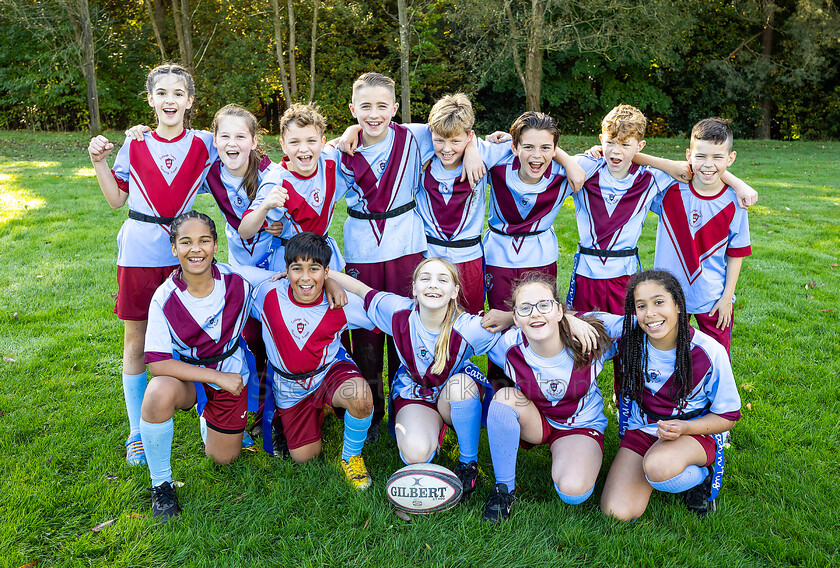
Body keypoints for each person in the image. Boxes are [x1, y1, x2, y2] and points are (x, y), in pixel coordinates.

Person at [87, 63, 216, 466]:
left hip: (187, 250)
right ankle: (137, 431)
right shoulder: (136, 144)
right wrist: (99, 163)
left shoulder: (205, 143)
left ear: (190, 101)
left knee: (195, 334)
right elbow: (116, 200)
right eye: (162, 93)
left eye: (178, 93)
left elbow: (240, 155)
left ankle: (205, 416)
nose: (170, 100)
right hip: (141, 252)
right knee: (137, 342)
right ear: (150, 100)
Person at [328, 257, 514, 499]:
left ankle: (468, 463)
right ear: (414, 288)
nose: (433, 285)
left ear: (455, 291)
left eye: (442, 279)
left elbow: (520, 339)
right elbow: (361, 290)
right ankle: (432, 428)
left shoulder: (470, 327)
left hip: (452, 393)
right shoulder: (398, 311)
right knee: (415, 455)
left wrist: (510, 317)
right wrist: (326, 276)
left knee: (460, 386)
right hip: (415, 392)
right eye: (425, 279)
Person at [571, 106, 757, 316]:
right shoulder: (585, 167)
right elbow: (550, 160)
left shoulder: (652, 179)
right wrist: (607, 150)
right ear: (601, 140)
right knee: (584, 337)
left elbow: (699, 170)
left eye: (625, 145)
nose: (616, 151)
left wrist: (739, 184)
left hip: (625, 275)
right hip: (586, 273)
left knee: (626, 339)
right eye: (610, 143)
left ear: (640, 146)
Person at [140, 211, 257, 521]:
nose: (196, 249)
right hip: (189, 376)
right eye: (186, 242)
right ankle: (161, 484)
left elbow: (288, 280)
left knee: (224, 459)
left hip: (231, 376)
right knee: (156, 394)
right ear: (174, 248)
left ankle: (209, 420)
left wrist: (330, 286)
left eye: (204, 240)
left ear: (216, 246)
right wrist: (216, 376)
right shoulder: (164, 298)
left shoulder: (238, 282)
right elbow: (158, 364)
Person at [600, 270, 741, 520]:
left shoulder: (709, 352)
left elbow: (728, 415)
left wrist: (685, 428)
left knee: (657, 467)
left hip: (692, 432)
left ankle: (701, 476)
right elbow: (579, 319)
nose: (650, 313)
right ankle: (653, 468)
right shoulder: (629, 333)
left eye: (658, 302)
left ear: (678, 305)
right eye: (641, 306)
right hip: (642, 428)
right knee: (616, 512)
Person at [336, 72, 429, 441]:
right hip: (362, 247)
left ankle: (410, 405)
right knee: (367, 333)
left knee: (408, 326)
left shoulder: (415, 135)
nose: (373, 115)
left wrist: (471, 147)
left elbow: (459, 130)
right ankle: (371, 412)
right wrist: (346, 133)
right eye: (365, 107)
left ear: (395, 108)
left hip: (407, 245)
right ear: (353, 110)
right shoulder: (339, 150)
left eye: (381, 106)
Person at [482, 272, 618, 522]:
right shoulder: (506, 346)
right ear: (515, 317)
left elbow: (638, 323)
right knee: (503, 399)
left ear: (558, 310)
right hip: (538, 420)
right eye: (525, 308)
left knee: (573, 492)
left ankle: (569, 453)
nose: (535, 313)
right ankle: (504, 490)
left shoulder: (589, 335)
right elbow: (460, 330)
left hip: (580, 425)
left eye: (544, 305)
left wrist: (573, 318)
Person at [245, 232, 376, 489]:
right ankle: (321, 411)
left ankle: (351, 456)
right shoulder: (266, 292)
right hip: (289, 387)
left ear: (327, 271)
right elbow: (224, 272)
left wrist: (332, 283)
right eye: (297, 269)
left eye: (314, 269)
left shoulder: (341, 303)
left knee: (361, 396)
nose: (305, 278)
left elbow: (387, 312)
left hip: (328, 373)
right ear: (286, 270)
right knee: (305, 457)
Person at [482, 111, 585, 390]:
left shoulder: (563, 172)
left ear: (555, 148)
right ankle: (499, 389)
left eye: (546, 148)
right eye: (527, 147)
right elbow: (458, 141)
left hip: (541, 254)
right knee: (500, 321)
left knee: (540, 320)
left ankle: (540, 385)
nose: (536, 156)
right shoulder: (498, 161)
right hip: (498, 254)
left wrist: (568, 161)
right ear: (514, 147)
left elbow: (620, 152)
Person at [651, 118, 751, 355]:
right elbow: (629, 162)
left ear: (731, 158)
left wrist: (727, 298)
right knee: (667, 356)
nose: (708, 164)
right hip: (669, 294)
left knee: (716, 359)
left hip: (713, 297)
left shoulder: (734, 203)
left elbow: (736, 253)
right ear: (688, 155)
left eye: (717, 157)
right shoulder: (668, 190)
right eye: (701, 156)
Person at [238, 103, 346, 273]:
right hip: (290, 259)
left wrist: (352, 129)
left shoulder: (330, 160)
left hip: (324, 252)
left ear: (322, 142)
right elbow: (244, 231)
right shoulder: (277, 181)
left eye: (311, 141)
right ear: (283, 145)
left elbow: (352, 139)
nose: (304, 149)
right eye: (295, 142)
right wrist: (265, 205)